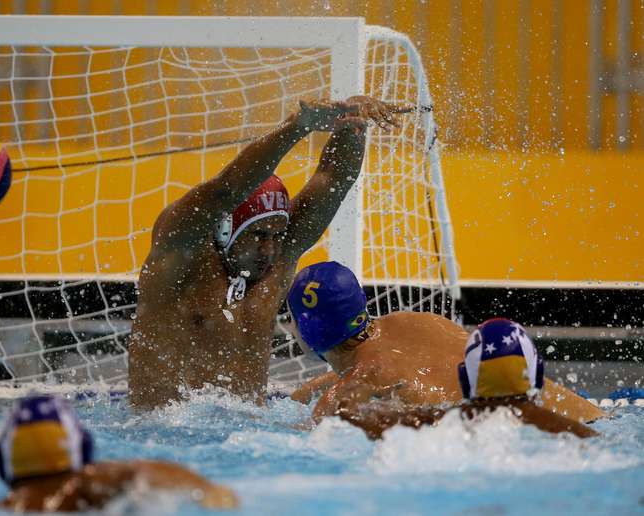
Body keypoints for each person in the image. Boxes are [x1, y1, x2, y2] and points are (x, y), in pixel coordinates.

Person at [129, 97, 410, 409]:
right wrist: (297, 127)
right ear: (225, 229)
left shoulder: (276, 261)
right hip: (161, 433)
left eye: (277, 235)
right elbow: (225, 189)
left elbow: (334, 178)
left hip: (247, 438)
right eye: (258, 236)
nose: (270, 248)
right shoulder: (181, 260)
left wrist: (354, 123)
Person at [286, 261, 606, 423]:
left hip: (546, 444)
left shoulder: (342, 398)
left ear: (310, 330)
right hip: (595, 420)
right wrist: (307, 390)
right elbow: (389, 367)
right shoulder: (413, 321)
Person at [335, 318, 598, 439]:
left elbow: (353, 422)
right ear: (538, 375)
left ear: (464, 376)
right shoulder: (577, 432)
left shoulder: (444, 422)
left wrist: (352, 392)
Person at [0, 395, 238, 512]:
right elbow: (144, 471)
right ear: (83, 446)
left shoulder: (8, 505)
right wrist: (208, 489)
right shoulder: (86, 483)